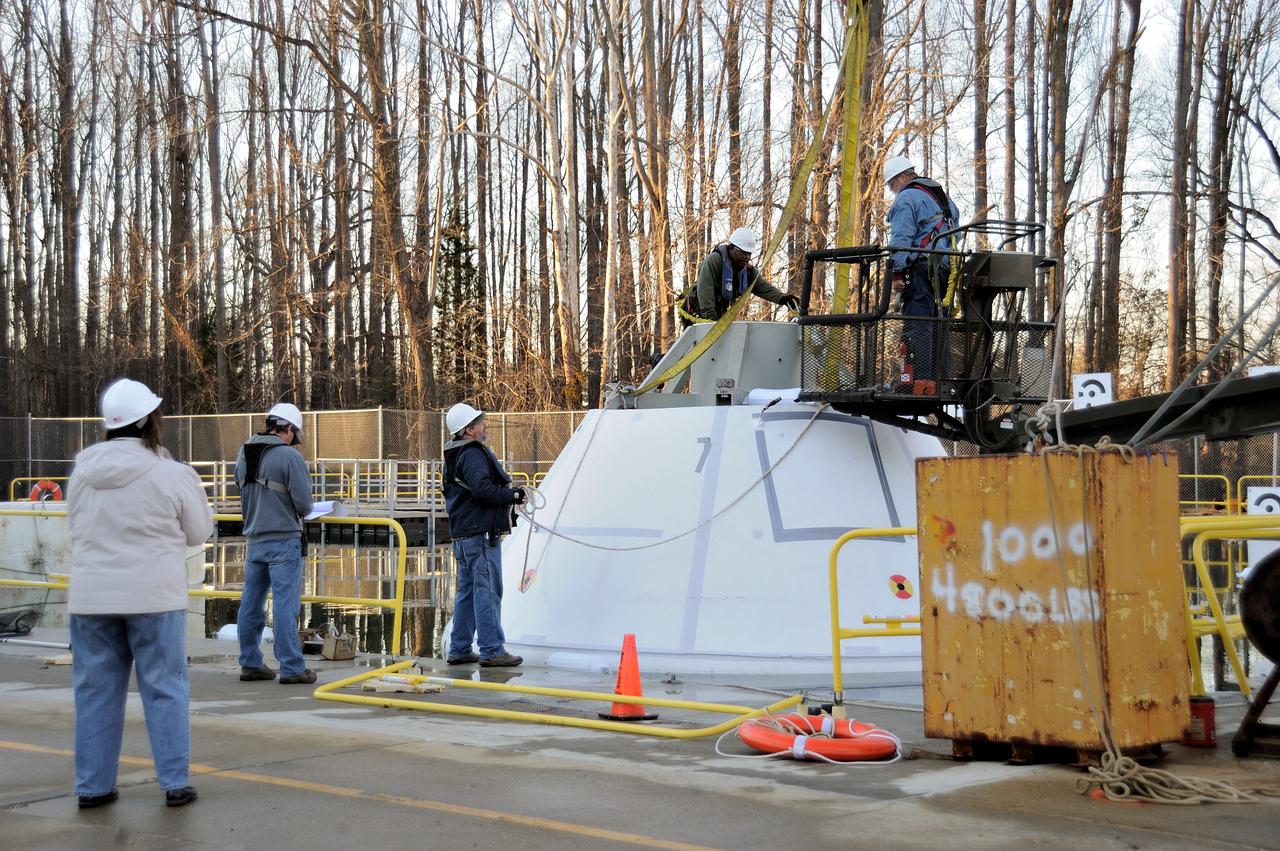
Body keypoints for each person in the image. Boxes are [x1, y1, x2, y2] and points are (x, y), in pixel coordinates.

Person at [67, 378, 212, 809]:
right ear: (151, 419)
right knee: (165, 687)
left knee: (94, 692)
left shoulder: (83, 470)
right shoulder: (173, 473)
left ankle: (93, 787)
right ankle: (174, 783)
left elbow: (75, 528)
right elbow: (198, 531)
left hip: (92, 599)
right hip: (154, 598)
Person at [234, 402, 316, 684]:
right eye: (295, 434)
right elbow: (305, 504)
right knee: (285, 604)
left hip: (255, 538)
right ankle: (292, 667)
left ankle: (250, 662)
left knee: (251, 602)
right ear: (289, 429)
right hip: (284, 539)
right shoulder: (288, 457)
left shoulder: (244, 452)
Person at [442, 403, 525, 667]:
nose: (484, 424)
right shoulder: (472, 453)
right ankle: (492, 649)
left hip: (463, 535)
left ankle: (460, 648)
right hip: (479, 535)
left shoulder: (455, 454)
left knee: (467, 592)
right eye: (479, 422)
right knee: (487, 591)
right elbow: (482, 488)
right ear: (468, 430)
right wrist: (513, 495)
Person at [884, 155, 960, 388]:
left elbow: (901, 240)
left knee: (919, 324)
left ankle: (919, 380)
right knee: (940, 325)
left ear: (901, 177)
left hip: (920, 269)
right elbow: (955, 234)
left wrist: (897, 274)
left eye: (891, 185)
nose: (892, 190)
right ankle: (942, 378)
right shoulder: (944, 199)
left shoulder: (906, 198)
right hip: (946, 271)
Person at [690, 227, 800, 321]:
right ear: (731, 248)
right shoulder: (715, 261)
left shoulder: (748, 272)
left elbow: (765, 289)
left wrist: (784, 299)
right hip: (697, 311)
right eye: (743, 252)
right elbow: (705, 290)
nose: (747, 257)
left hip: (718, 314)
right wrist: (710, 320)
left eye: (749, 253)